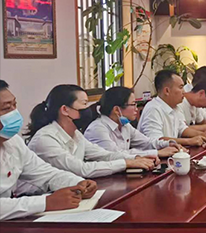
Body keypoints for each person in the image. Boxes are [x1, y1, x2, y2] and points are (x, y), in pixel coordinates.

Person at [0, 80, 98, 220]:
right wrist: (46, 202)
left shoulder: (14, 142)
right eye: (6, 108)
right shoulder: (44, 137)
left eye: (14, 105)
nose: (14, 113)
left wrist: (78, 184)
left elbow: (47, 174)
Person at [25, 85, 154, 179]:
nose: (88, 109)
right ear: (65, 109)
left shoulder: (76, 135)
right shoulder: (45, 139)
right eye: (84, 104)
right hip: (37, 198)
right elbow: (81, 169)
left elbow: (105, 155)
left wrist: (136, 158)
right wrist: (126, 163)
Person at [84, 87, 181, 159]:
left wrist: (168, 144)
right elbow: (117, 155)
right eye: (133, 104)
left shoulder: (125, 125)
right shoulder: (97, 129)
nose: (136, 109)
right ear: (117, 110)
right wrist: (157, 153)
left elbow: (147, 143)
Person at [137, 70, 206, 147]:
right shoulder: (153, 109)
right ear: (167, 91)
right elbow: (155, 140)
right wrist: (189, 141)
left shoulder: (175, 107)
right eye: (181, 87)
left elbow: (182, 129)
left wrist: (203, 134)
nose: (184, 91)